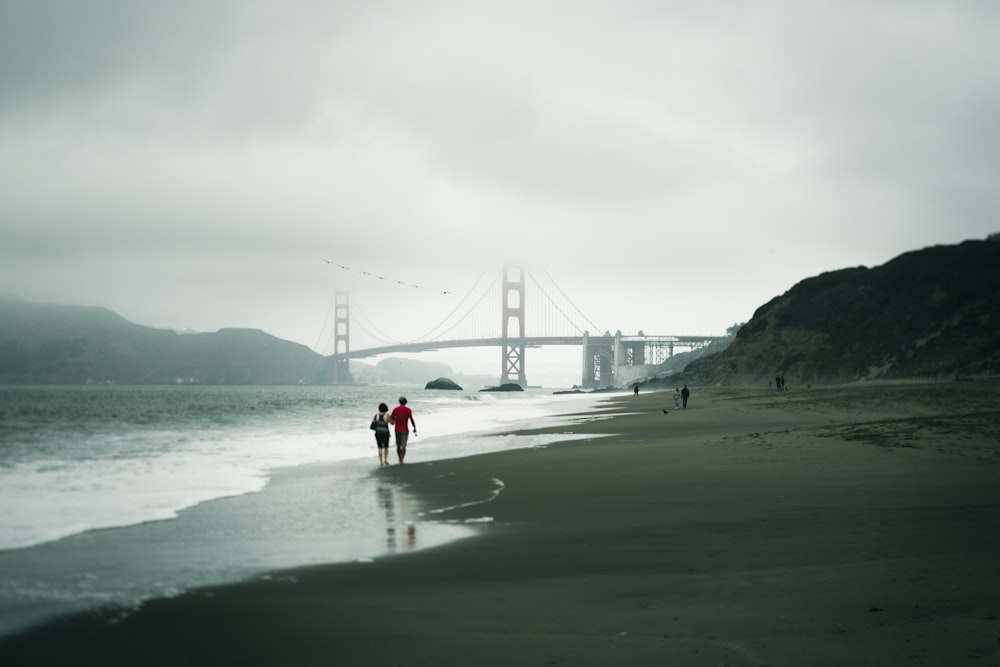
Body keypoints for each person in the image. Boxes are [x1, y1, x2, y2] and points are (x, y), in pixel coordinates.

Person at [389, 396, 417, 464]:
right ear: (406, 402)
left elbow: (391, 418)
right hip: (405, 430)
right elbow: (411, 419)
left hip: (397, 430)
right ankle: (402, 459)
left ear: (399, 402)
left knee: (398, 445)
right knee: (404, 445)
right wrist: (414, 427)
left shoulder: (395, 409)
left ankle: (399, 458)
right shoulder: (408, 410)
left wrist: (393, 421)